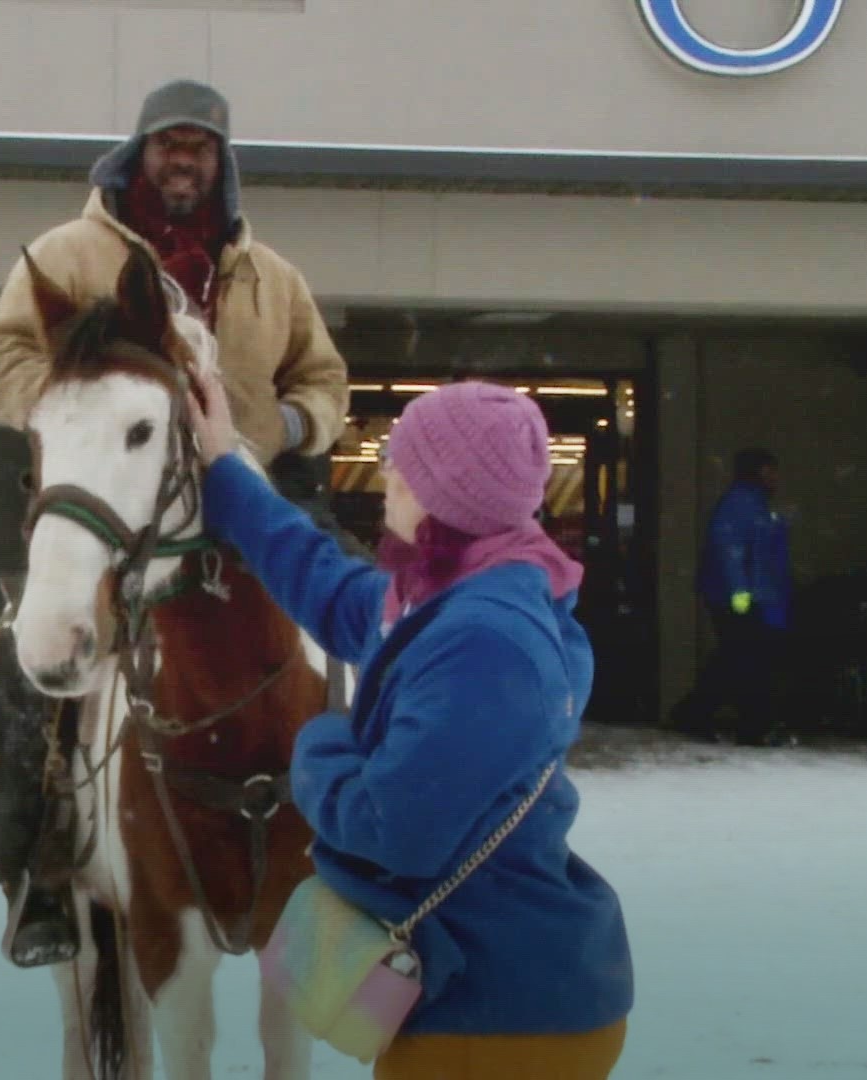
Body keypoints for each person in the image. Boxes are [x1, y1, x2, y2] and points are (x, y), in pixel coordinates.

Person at [0, 77, 352, 966]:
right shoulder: (68, 254)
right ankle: (44, 878)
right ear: (138, 154)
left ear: (224, 165)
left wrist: (285, 427)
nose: (183, 159)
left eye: (201, 146)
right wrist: (77, 410)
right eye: (167, 144)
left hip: (254, 504)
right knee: (17, 677)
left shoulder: (271, 276)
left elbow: (323, 382)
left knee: (369, 633)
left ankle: (369, 849)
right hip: (111, 513)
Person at [185, 376, 635, 1079]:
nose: (386, 470)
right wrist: (225, 471)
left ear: (446, 494)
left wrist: (316, 744)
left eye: (403, 459)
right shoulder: (451, 598)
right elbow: (327, 586)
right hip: (473, 992)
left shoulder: (484, 640)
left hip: (498, 1021)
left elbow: (397, 833)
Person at [672, 447, 794, 746]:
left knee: (736, 657)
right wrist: (740, 591)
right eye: (771, 471)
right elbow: (731, 549)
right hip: (744, 596)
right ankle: (751, 723)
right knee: (747, 659)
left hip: (742, 594)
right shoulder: (747, 506)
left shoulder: (746, 504)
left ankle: (701, 714)